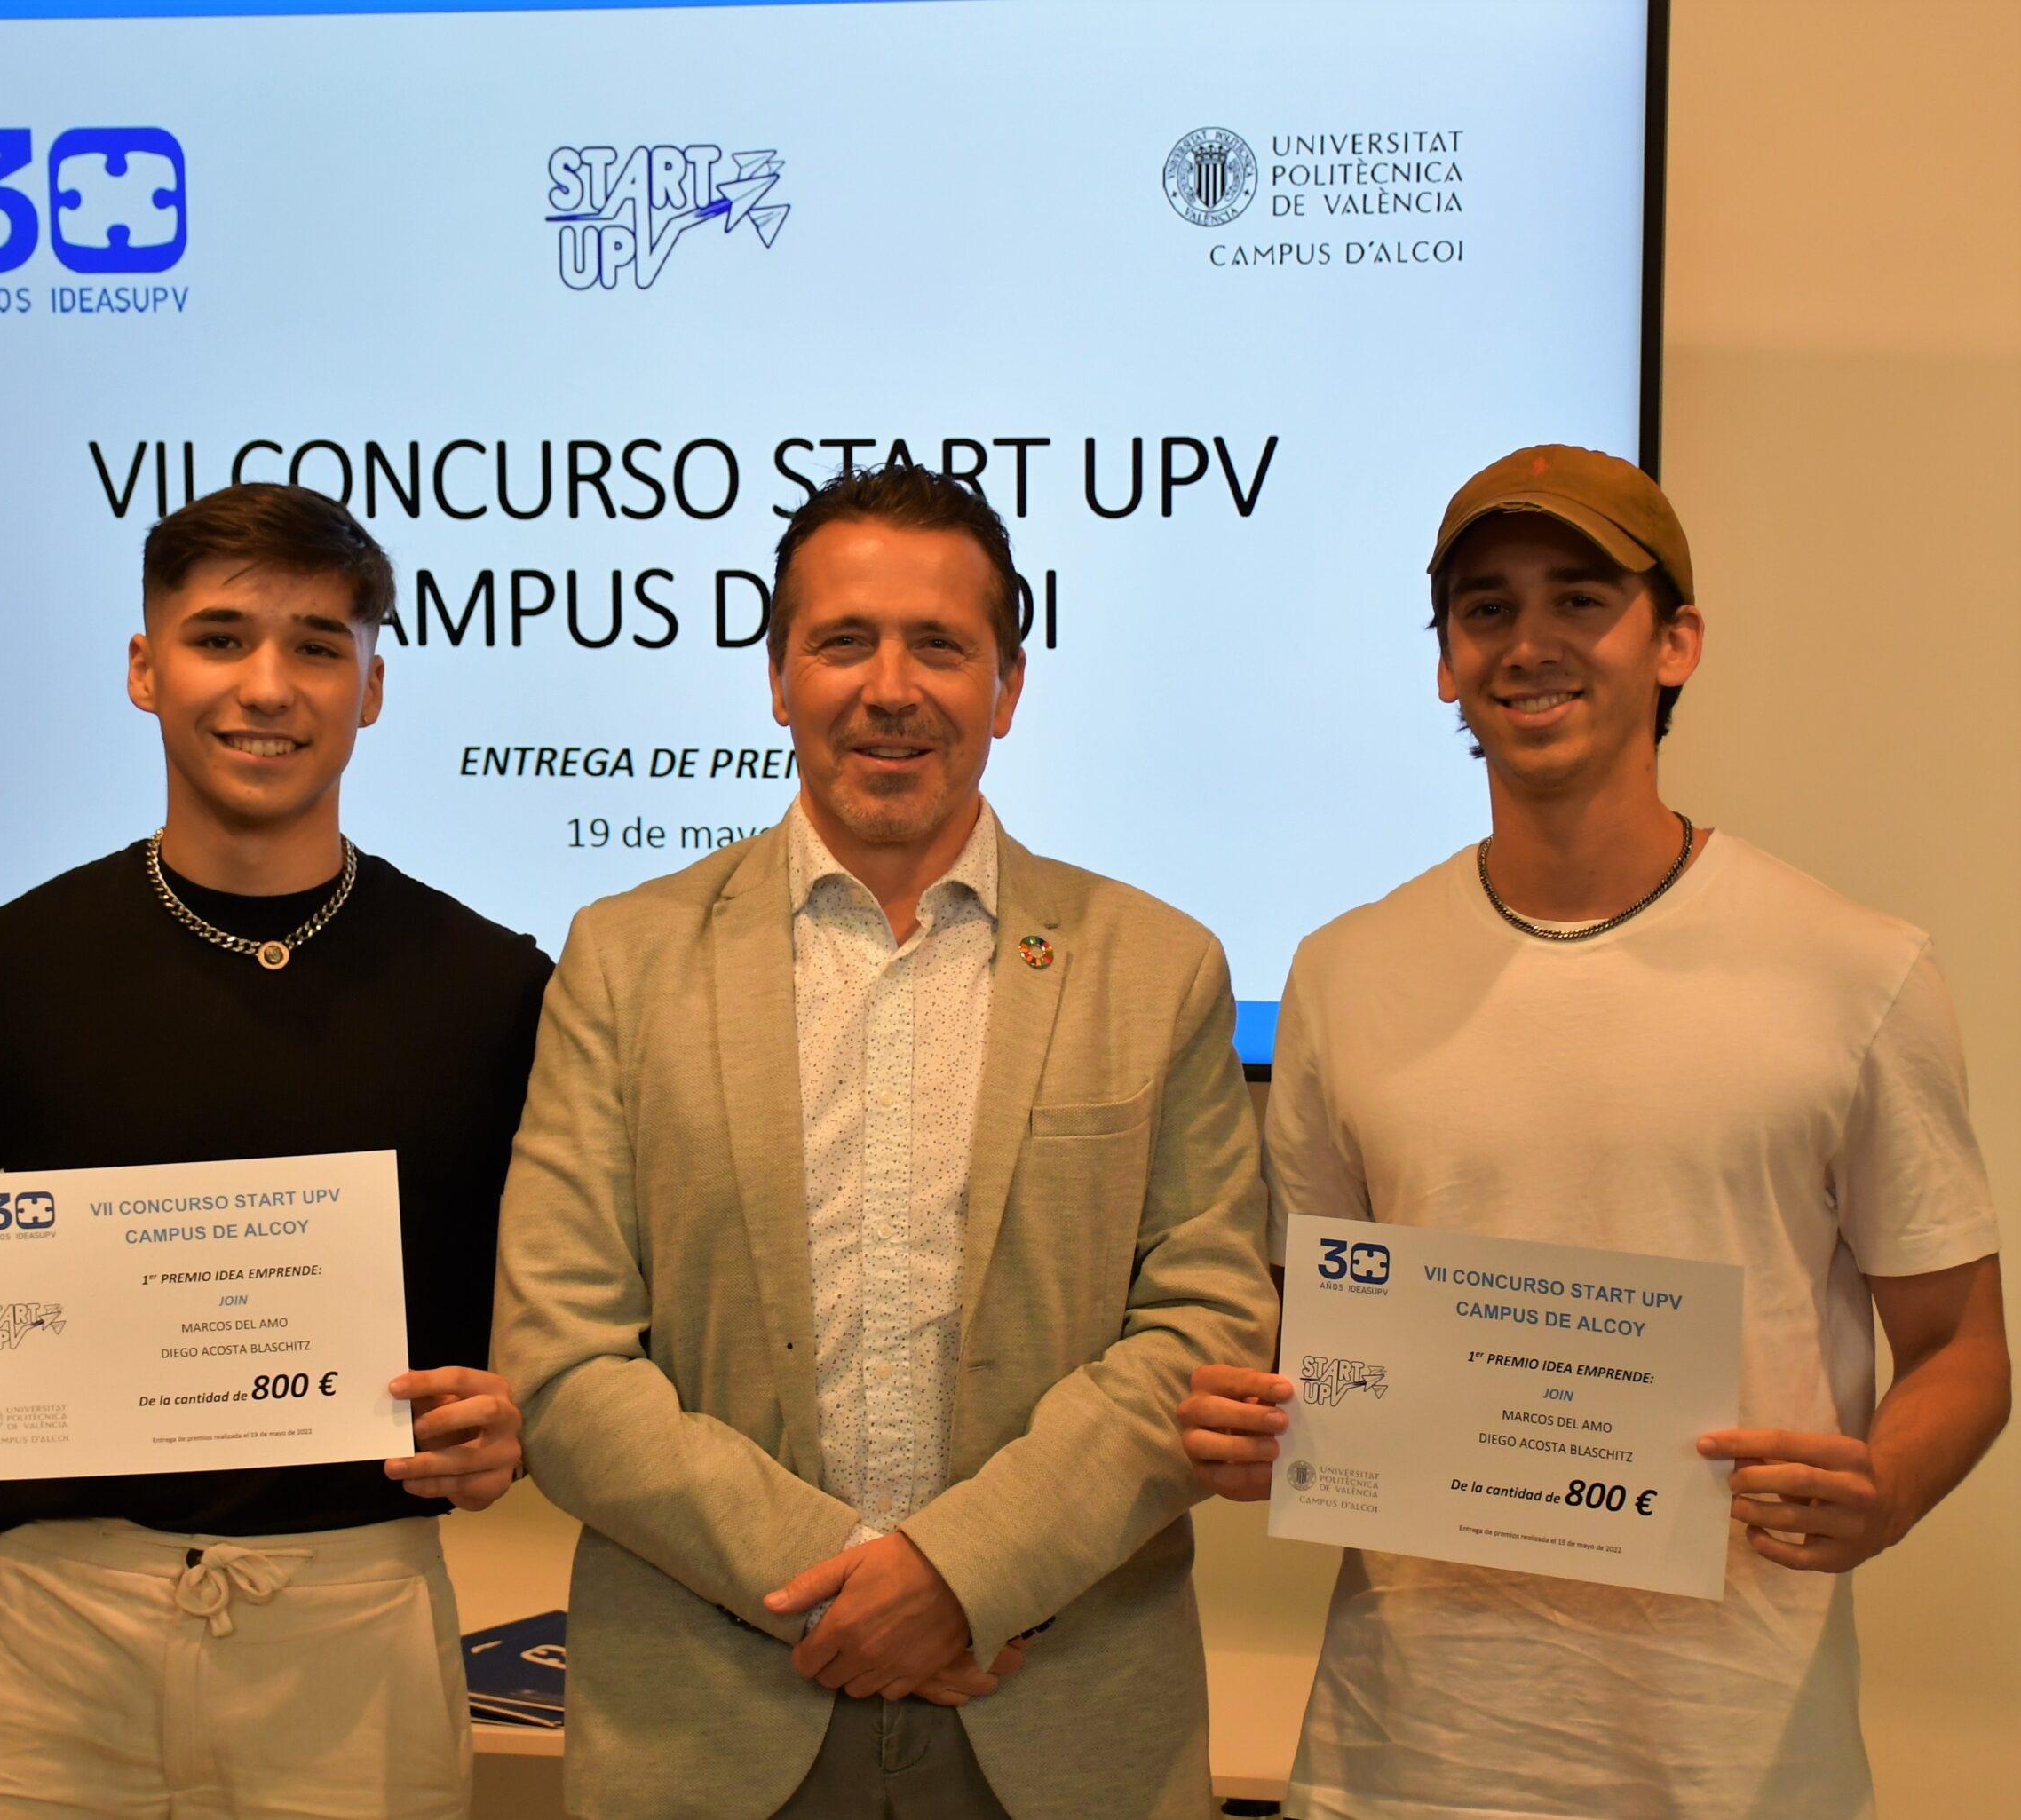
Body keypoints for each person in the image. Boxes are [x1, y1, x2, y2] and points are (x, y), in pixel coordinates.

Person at [1178, 445, 2010, 1820]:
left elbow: (1963, 1347)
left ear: (1675, 642)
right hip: (1402, 1760)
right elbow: (1309, 1334)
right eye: (1486, 608)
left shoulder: (1855, 969)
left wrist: (1888, 1486)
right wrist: (1244, 1418)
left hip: (1736, 1762)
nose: (1529, 643)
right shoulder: (1344, 972)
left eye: (1581, 598)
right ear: (1445, 662)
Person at [494, 463, 1273, 1820]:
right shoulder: (622, 961)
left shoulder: (1159, 968)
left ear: (1008, 686)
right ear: (779, 677)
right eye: (843, 641)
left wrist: (964, 1574)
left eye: (942, 646)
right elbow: (560, 1364)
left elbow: (1204, 1329)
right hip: (712, 1730)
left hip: (1060, 1725)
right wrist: (851, 1582)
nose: (891, 687)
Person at [0, 482, 552, 1820]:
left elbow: (574, 1316)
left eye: (317, 645)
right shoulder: (7, 963)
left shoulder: (494, 987)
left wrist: (522, 1420)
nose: (267, 685)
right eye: (220, 638)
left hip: (353, 1635)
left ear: (373, 687)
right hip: (42, 1639)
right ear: (145, 669)